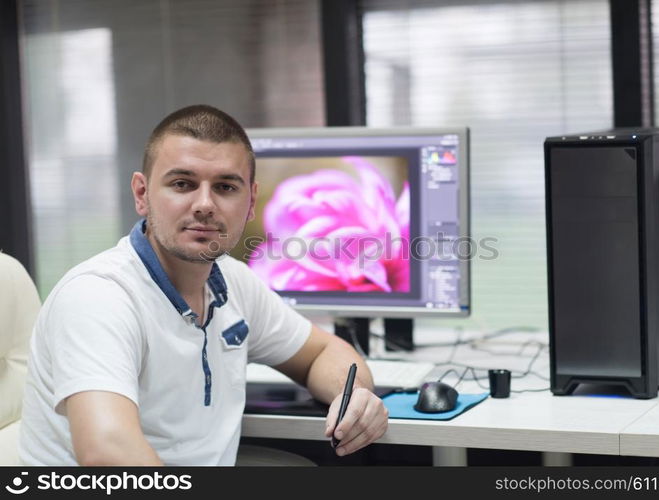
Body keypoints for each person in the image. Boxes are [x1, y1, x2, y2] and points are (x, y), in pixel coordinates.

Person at [19, 105, 388, 465]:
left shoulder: (233, 282)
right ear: (141, 194)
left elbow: (323, 353)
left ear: (250, 202)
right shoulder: (98, 296)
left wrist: (353, 395)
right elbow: (107, 453)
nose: (205, 204)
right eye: (183, 184)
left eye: (226, 187)